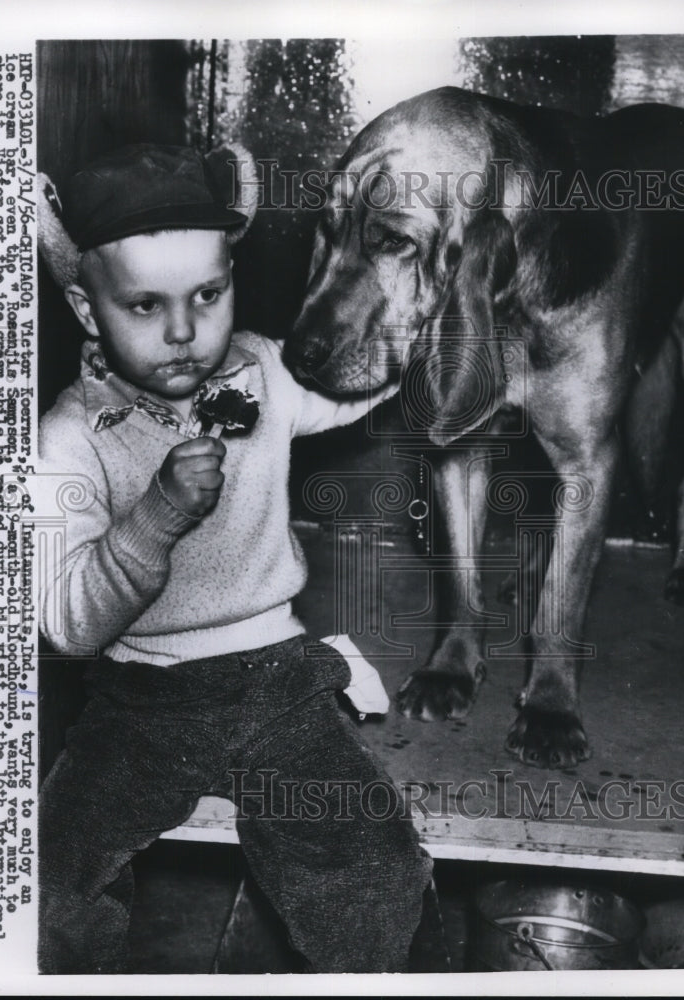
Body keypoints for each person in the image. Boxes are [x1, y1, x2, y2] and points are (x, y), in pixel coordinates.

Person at [37, 144, 433, 974]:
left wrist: (423, 328)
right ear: (85, 305)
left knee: (373, 863)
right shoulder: (74, 435)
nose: (184, 332)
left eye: (207, 294)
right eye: (145, 305)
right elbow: (69, 627)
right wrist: (154, 519)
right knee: (49, 874)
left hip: (276, 683)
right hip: (140, 698)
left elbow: (350, 387)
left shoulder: (256, 368)